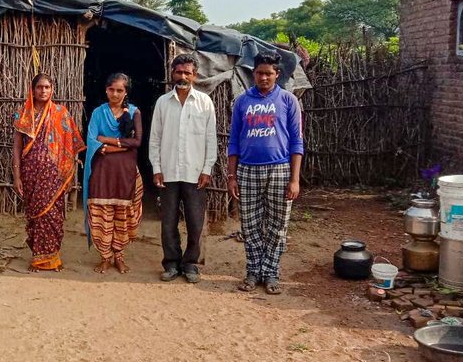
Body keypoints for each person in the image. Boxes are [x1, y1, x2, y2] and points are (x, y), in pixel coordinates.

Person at [227, 51, 304, 295]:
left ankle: (271, 273)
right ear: (253, 73)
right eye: (259, 73)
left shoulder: (288, 101)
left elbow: (297, 142)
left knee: (277, 225)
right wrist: (231, 176)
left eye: (269, 74)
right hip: (247, 170)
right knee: (250, 225)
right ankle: (253, 271)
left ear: (277, 74)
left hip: (280, 170)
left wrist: (295, 179)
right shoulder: (242, 101)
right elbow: (234, 142)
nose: (263, 78)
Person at [149, 54, 217, 284]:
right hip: (168, 171)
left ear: (195, 76)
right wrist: (157, 168)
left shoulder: (205, 103)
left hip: (195, 172)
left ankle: (190, 264)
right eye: (179, 72)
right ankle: (170, 263)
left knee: (195, 221)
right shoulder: (162, 103)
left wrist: (207, 168)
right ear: (172, 73)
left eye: (188, 72)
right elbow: (155, 139)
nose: (183, 76)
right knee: (168, 221)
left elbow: (210, 139)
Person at [13, 73, 86, 272]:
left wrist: (67, 173)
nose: (43, 91)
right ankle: (38, 258)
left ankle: (53, 258)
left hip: (54, 175)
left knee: (53, 216)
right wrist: (17, 176)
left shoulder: (61, 113)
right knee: (35, 215)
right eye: (39, 87)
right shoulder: (23, 113)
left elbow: (70, 146)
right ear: (33, 89)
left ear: (52, 89)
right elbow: (17, 147)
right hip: (30, 173)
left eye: (47, 87)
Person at [83, 73, 144, 274]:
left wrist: (107, 141)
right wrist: (121, 146)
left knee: (123, 214)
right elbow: (92, 140)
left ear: (125, 92)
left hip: (125, 172)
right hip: (102, 170)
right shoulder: (98, 113)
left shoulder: (134, 112)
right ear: (106, 90)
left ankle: (119, 255)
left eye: (120, 90)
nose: (115, 94)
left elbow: (136, 143)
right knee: (102, 213)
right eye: (112, 89)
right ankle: (105, 257)